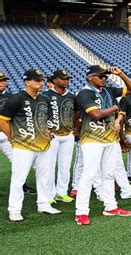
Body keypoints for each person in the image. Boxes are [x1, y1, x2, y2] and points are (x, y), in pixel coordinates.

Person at [74, 65, 131, 226]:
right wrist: (115, 107)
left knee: (109, 174)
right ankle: (81, 212)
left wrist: (120, 74)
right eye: (100, 76)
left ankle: (110, 207)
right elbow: (95, 115)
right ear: (90, 78)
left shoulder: (108, 90)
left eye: (105, 76)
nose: (104, 78)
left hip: (110, 139)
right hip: (92, 140)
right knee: (89, 175)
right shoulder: (84, 93)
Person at [0, 69, 62, 221]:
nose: (41, 83)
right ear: (27, 82)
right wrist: (12, 138)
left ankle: (44, 204)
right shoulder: (16, 99)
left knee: (45, 176)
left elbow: (44, 120)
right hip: (23, 145)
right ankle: (14, 209)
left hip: (43, 145)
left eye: (42, 80)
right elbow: (3, 121)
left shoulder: (44, 99)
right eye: (37, 80)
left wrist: (47, 131)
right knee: (19, 178)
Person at [43, 69, 76, 203]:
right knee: (49, 166)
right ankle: (49, 194)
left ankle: (61, 192)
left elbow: (76, 113)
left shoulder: (72, 96)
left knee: (65, 165)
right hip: (52, 136)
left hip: (68, 135)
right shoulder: (45, 95)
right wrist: (44, 130)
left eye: (68, 79)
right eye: (63, 79)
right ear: (55, 80)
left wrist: (75, 128)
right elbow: (39, 114)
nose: (66, 81)